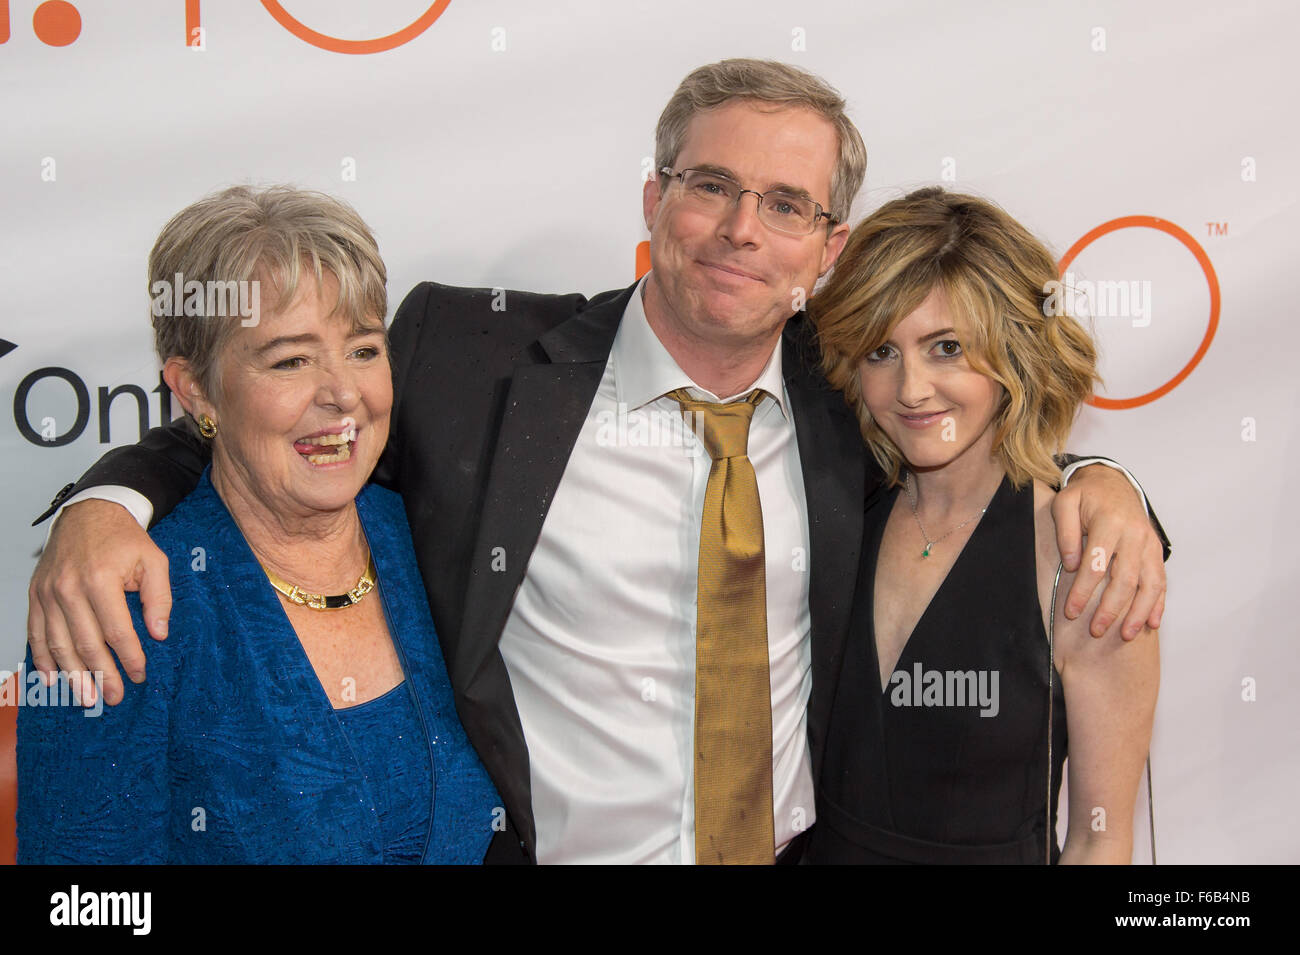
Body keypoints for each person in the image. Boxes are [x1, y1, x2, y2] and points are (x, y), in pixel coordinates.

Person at [24, 60, 1167, 864]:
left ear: (825, 250)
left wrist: (1101, 485)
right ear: (652, 199)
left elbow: (973, 436)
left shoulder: (853, 396)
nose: (737, 229)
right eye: (708, 185)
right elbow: (278, 410)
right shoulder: (466, 358)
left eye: (783, 205)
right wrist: (110, 497)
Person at [17, 185, 500, 863]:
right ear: (196, 390)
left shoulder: (439, 539)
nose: (342, 393)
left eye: (363, 349)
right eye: (291, 360)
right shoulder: (117, 606)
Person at [805, 187, 1160, 863]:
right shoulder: (837, 504)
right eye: (881, 352)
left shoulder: (1083, 555)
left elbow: (1099, 839)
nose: (911, 389)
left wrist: (1109, 484)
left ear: (1014, 353)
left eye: (946, 348)